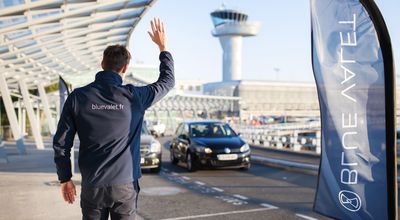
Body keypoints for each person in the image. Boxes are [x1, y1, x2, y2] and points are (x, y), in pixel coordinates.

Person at [53, 18, 174, 220]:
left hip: (93, 185)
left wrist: (65, 178)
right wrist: (163, 47)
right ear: (125, 68)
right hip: (125, 185)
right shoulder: (135, 96)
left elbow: (61, 143)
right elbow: (167, 81)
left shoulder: (78, 97)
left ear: (102, 64)